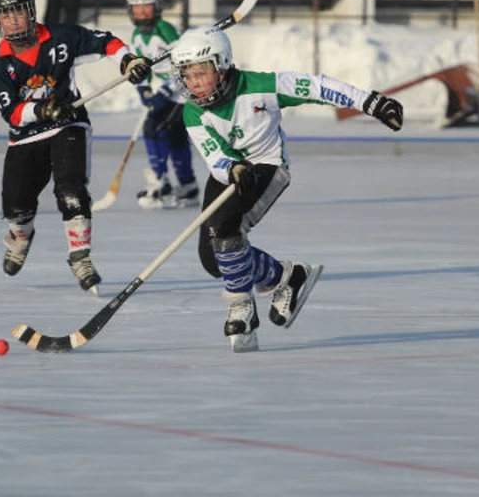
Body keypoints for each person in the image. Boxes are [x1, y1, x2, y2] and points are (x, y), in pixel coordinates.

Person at [169, 26, 404, 352]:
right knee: (213, 260)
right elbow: (214, 155)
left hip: (267, 166)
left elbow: (317, 87)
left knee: (226, 228)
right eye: (187, 75)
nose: (193, 82)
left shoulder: (262, 86)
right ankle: (285, 277)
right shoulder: (193, 111)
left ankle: (241, 309)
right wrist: (231, 167)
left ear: (222, 66)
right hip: (229, 172)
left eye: (200, 72)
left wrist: (371, 102)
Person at [0, 0, 151, 295]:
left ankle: (80, 257)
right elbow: (13, 113)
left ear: (31, 11)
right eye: (5, 15)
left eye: (18, 12)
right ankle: (21, 237)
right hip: (26, 136)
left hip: (68, 125)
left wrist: (129, 61)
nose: (13, 20)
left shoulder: (61, 38)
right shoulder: (0, 62)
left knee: (71, 190)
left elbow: (106, 42)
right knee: (16, 205)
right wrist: (44, 111)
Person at [125, 0, 200, 209]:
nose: (141, 12)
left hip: (182, 91)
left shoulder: (165, 30)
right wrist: (144, 89)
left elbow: (184, 63)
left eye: (146, 7)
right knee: (175, 136)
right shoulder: (137, 35)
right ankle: (188, 186)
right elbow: (140, 67)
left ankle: (160, 181)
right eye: (136, 8)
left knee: (154, 128)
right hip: (168, 92)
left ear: (156, 7)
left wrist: (165, 91)